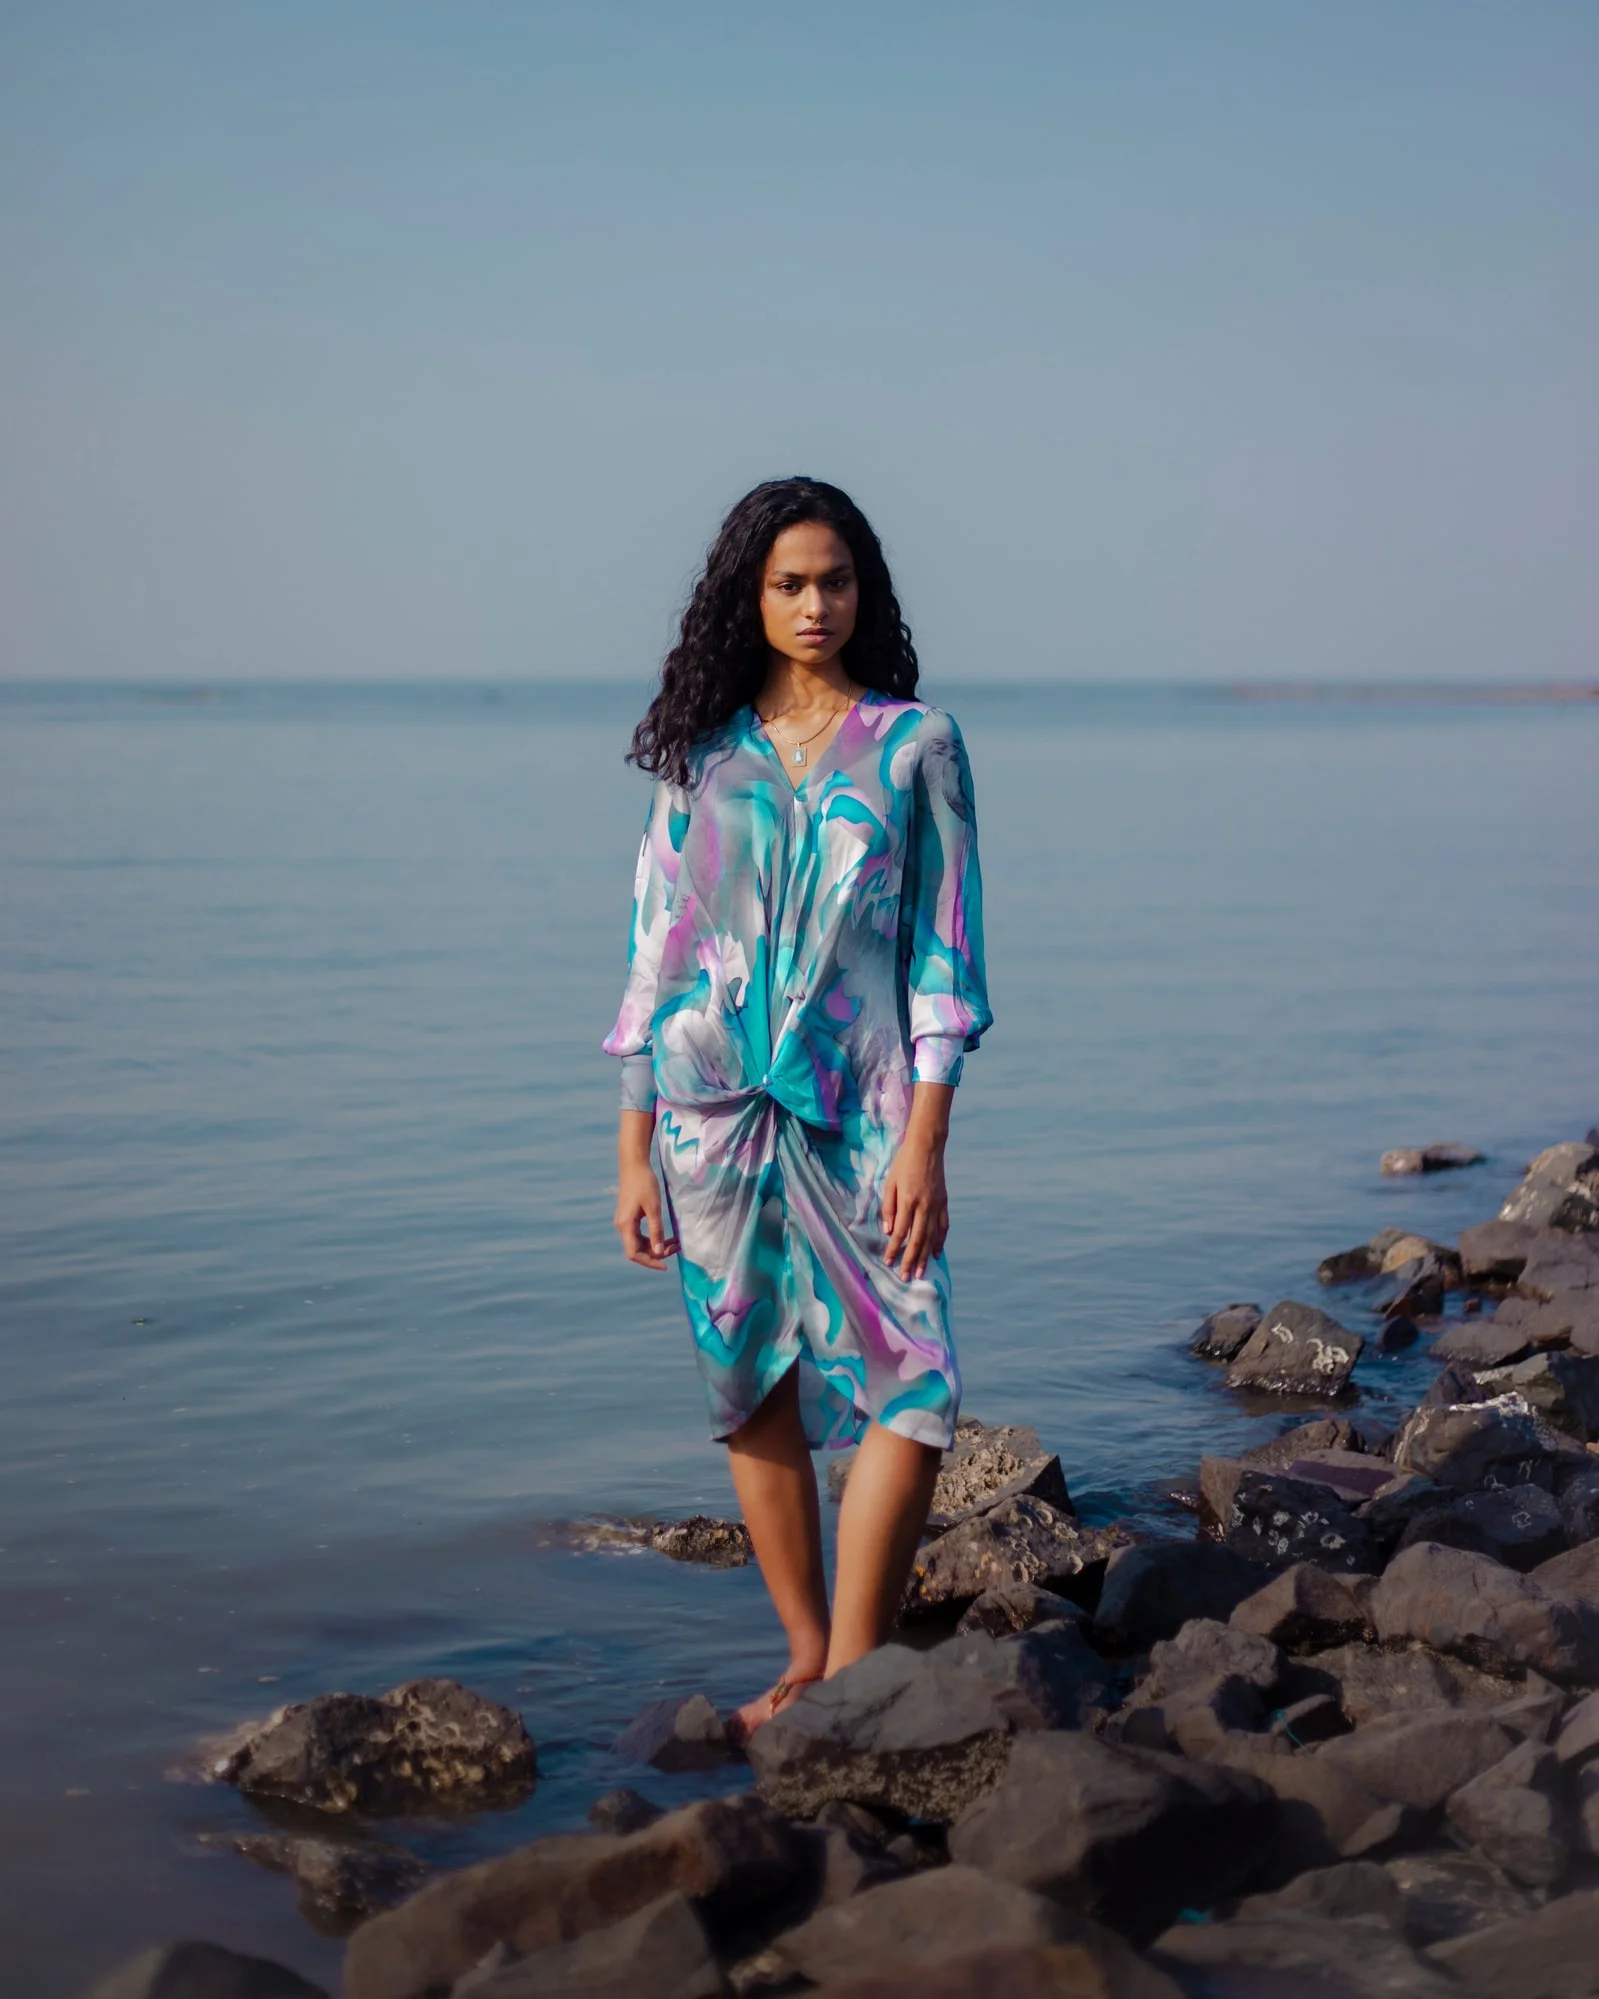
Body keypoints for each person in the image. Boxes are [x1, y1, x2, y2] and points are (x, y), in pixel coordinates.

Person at [603, 476, 991, 1744]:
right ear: (750, 597)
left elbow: (944, 958)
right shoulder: (700, 755)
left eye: (833, 580)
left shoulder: (916, 745)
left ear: (862, 589)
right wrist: (631, 1151)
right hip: (708, 1115)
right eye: (788, 583)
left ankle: (864, 1658)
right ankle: (807, 1651)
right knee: (749, 1383)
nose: (813, 603)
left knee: (913, 1376)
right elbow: (655, 959)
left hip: (866, 1113)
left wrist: (929, 1133)